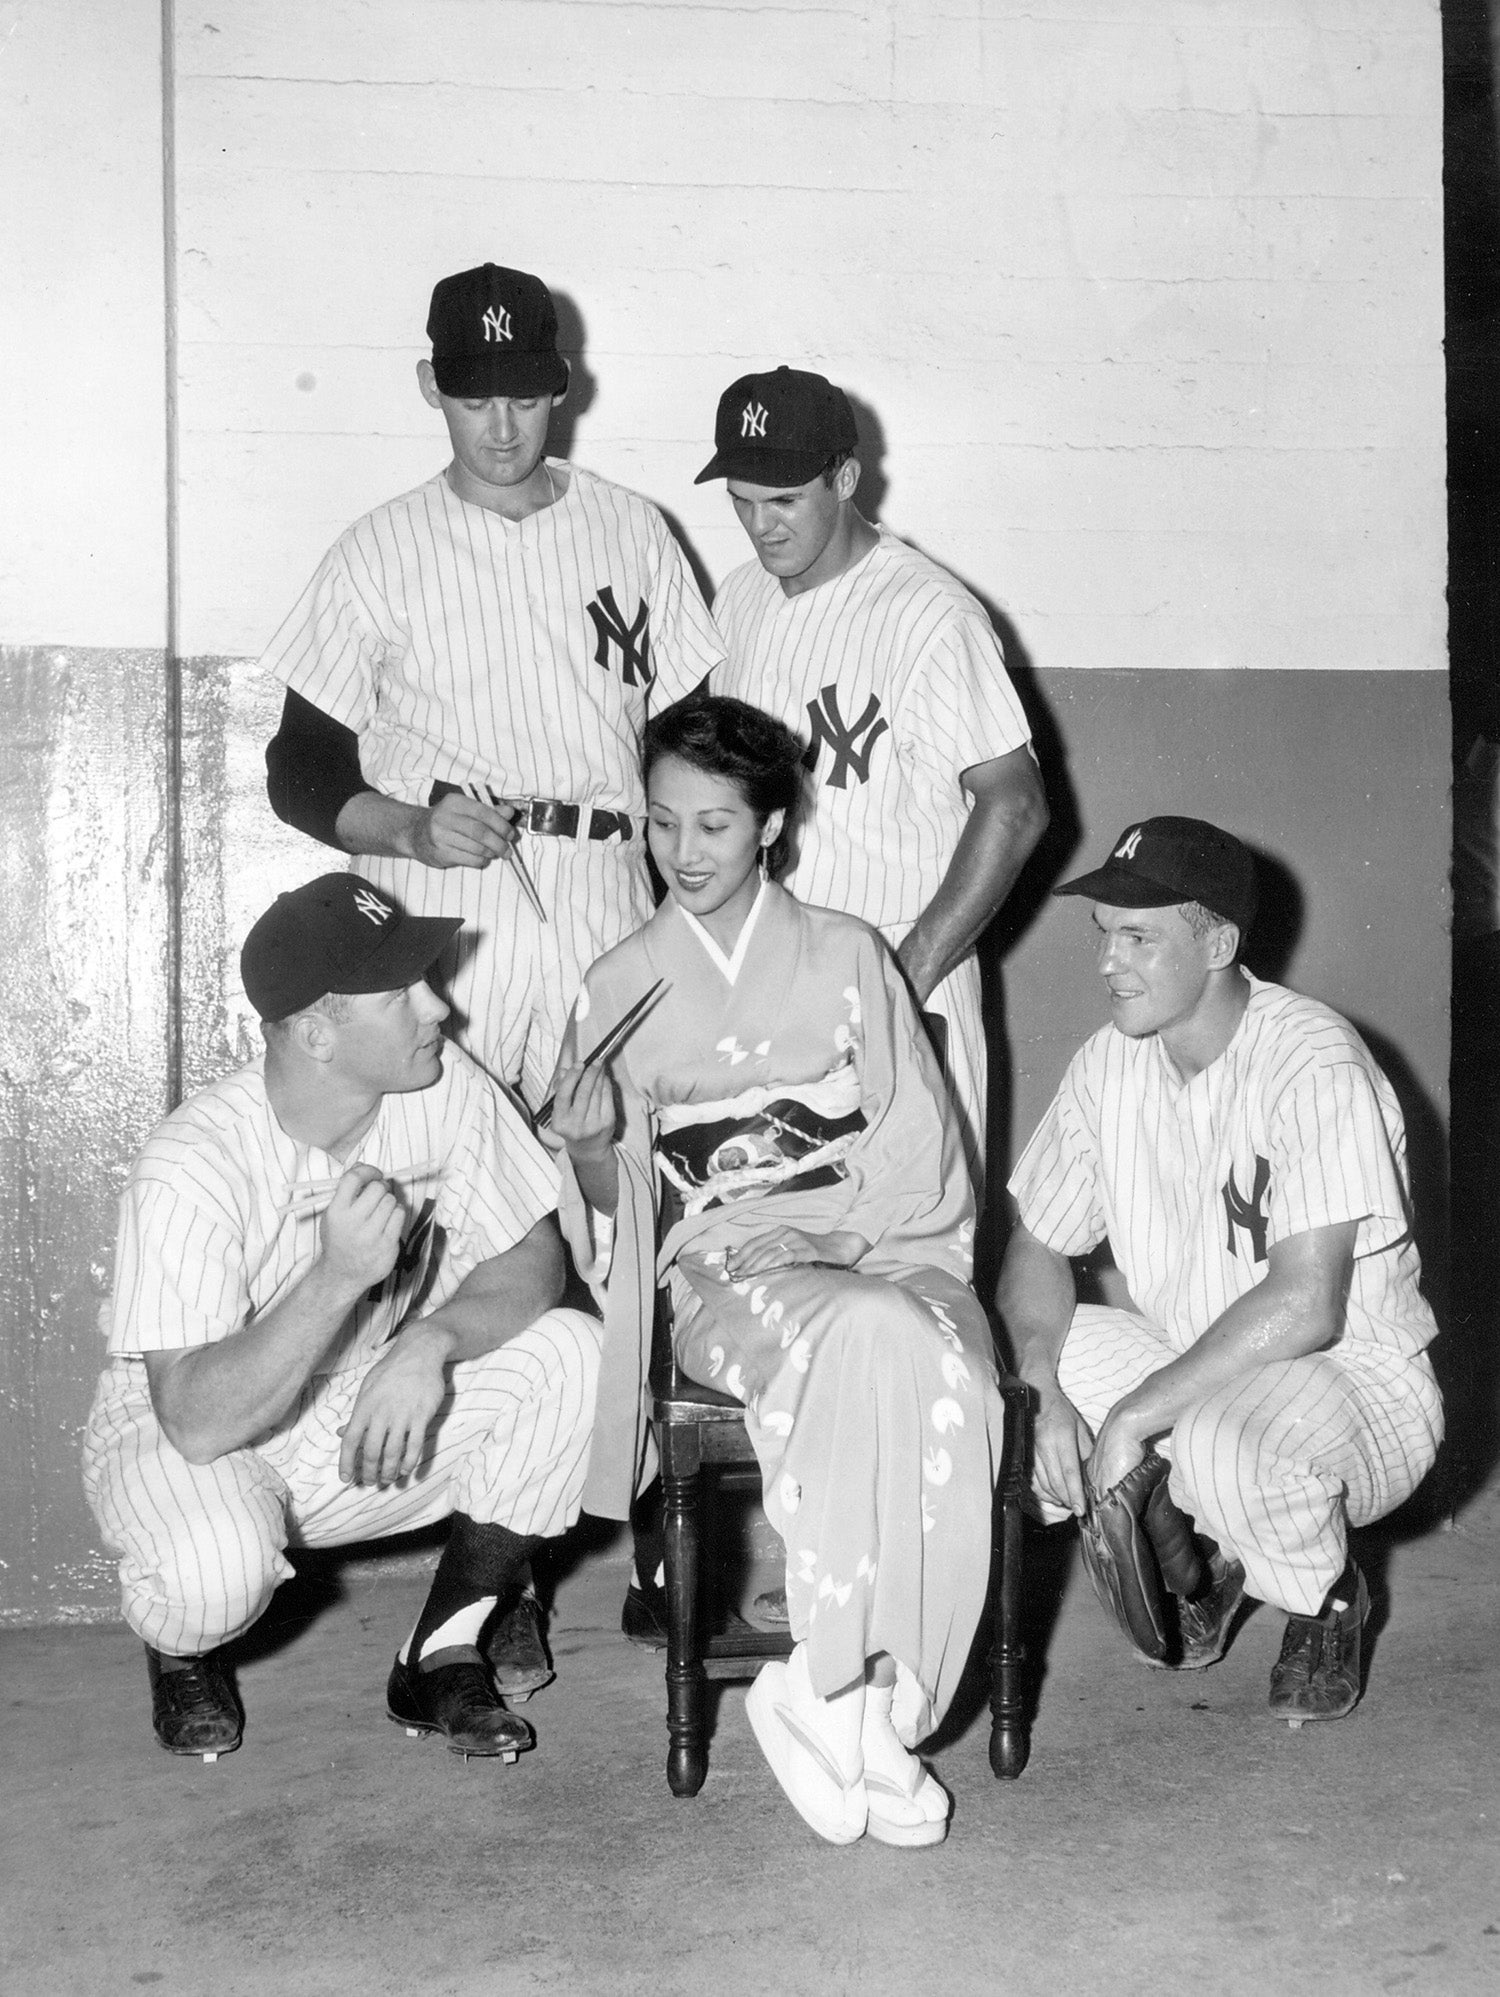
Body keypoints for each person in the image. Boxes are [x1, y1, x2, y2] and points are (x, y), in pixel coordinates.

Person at [548, 696, 1006, 1847]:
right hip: (722, 1260)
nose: (683, 852)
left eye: (713, 823)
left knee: (949, 1364)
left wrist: (842, 1235)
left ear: (771, 826)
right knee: (863, 1332)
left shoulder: (851, 952)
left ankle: (858, 1696)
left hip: (880, 1232)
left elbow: (916, 1143)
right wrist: (598, 1142)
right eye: (660, 823)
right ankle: (850, 1692)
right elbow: (620, 1216)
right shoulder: (619, 984)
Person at [82, 875, 601, 1763]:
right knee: (210, 1574)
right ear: (318, 1034)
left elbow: (535, 1259)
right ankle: (182, 1644)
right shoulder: (192, 1157)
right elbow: (197, 1420)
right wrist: (333, 1278)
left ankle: (439, 1649)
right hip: (192, 1427)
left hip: (355, 1402)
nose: (439, 1004)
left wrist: (431, 1343)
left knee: (573, 1351)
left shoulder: (442, 1085)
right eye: (402, 993)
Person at [996, 817, 1444, 1724]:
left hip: (1356, 1384)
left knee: (1211, 1444)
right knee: (1016, 1371)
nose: (1108, 961)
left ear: (1219, 942)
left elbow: (1309, 1304)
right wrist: (1039, 1384)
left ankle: (1328, 1597)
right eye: (1103, 934)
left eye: (1138, 935)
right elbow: (1035, 1245)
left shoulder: (1313, 1057)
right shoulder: (1108, 1063)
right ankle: (1215, 1557)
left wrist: (1132, 1416)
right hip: (1205, 1357)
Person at [261, 261, 725, 1109]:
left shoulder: (634, 531)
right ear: (432, 388)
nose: (504, 429)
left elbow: (687, 746)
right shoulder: (377, 550)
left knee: (620, 1182)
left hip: (607, 886)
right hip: (442, 908)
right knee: (440, 1186)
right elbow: (298, 770)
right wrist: (411, 832)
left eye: (525, 399)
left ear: (563, 390)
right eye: (476, 403)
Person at [695, 366, 1048, 1182]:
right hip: (768, 982)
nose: (760, 524)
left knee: (908, 1269)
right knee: (775, 1256)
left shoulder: (928, 612)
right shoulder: (740, 599)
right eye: (742, 500)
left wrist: (907, 973)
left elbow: (1017, 805)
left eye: (784, 499)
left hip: (894, 970)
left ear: (845, 478)